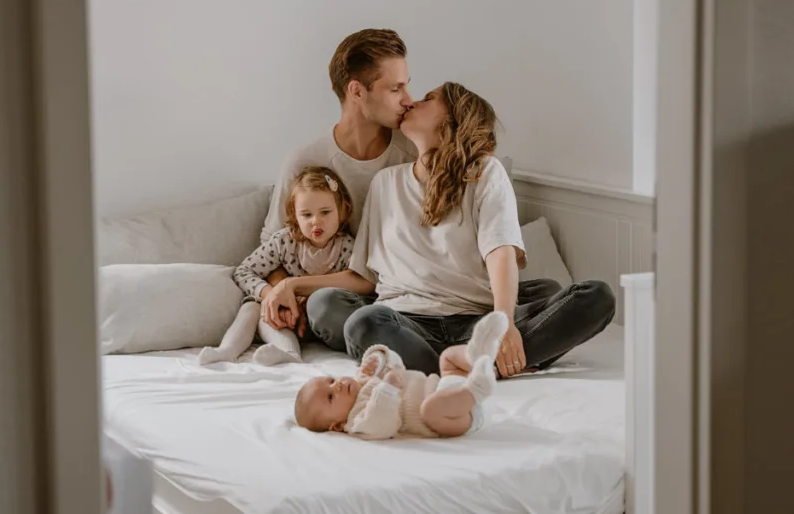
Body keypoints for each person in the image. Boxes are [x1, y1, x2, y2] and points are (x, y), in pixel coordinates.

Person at [271, 82, 617, 377]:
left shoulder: (484, 172)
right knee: (349, 316)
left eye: (427, 98)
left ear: (450, 120)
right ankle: (476, 364)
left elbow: (500, 250)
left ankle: (452, 361)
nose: (411, 101)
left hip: (474, 320)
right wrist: (292, 283)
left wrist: (503, 323)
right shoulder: (385, 183)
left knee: (594, 297)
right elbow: (365, 279)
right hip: (403, 320)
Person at [256, 29, 416, 333]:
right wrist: (285, 294)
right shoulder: (305, 161)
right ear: (357, 91)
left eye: (406, 86)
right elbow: (272, 243)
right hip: (338, 301)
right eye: (396, 89)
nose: (408, 100)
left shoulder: (413, 153)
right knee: (325, 307)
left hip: (406, 298)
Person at [198, 167, 355, 365]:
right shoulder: (284, 241)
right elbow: (244, 271)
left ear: (342, 210)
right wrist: (272, 295)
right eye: (306, 215)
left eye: (325, 212)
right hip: (283, 319)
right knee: (253, 306)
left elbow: (357, 286)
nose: (316, 221)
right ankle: (228, 350)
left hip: (319, 323)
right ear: (295, 216)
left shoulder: (348, 247)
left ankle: (290, 354)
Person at [294, 311, 508, 439]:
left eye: (331, 381)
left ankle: (478, 355)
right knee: (429, 409)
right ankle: (477, 389)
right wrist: (387, 389)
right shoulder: (357, 421)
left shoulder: (363, 378)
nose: (337, 385)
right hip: (453, 417)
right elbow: (384, 425)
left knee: (448, 358)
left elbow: (397, 366)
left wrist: (379, 357)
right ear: (337, 426)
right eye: (331, 397)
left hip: (447, 384)